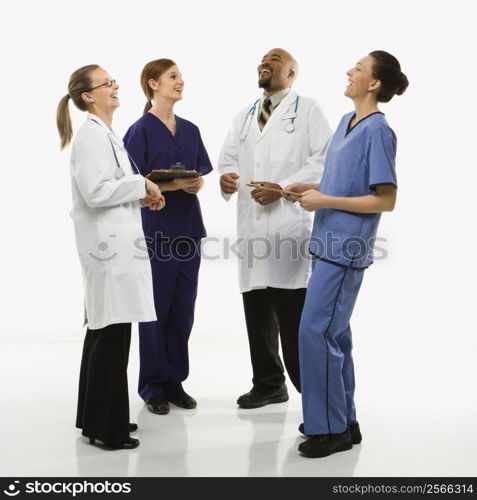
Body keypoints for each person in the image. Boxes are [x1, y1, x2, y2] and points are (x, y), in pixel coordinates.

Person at [284, 50, 409, 458]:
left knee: (314, 332)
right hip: (327, 242)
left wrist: (326, 202)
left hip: (346, 246)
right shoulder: (345, 122)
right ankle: (343, 418)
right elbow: (339, 180)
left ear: (373, 83)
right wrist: (309, 188)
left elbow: (384, 200)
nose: (349, 72)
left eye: (357, 69)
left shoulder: (378, 131)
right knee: (334, 334)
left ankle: (330, 429)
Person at [56, 64, 165, 449]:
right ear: (88, 96)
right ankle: (108, 429)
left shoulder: (105, 135)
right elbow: (96, 192)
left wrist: (141, 190)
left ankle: (97, 418)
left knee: (110, 333)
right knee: (109, 333)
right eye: (108, 83)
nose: (116, 86)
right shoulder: (91, 137)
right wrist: (142, 183)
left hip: (116, 248)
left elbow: (112, 188)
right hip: (107, 253)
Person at [218, 48, 332, 408]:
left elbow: (324, 159)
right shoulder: (244, 115)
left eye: (276, 59)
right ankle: (268, 384)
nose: (265, 62)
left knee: (292, 317)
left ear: (292, 73)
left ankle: (313, 396)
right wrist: (227, 180)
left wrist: (282, 187)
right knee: (256, 310)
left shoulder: (309, 110)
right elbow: (227, 161)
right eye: (263, 59)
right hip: (252, 227)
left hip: (287, 228)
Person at [123, 59, 213, 415]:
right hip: (156, 230)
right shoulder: (140, 130)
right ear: (153, 83)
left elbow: (200, 172)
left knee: (182, 309)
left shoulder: (190, 129)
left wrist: (197, 182)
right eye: (173, 77)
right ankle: (153, 386)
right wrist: (176, 184)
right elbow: (132, 182)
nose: (180, 82)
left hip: (189, 229)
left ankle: (175, 381)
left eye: (180, 77)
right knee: (155, 309)